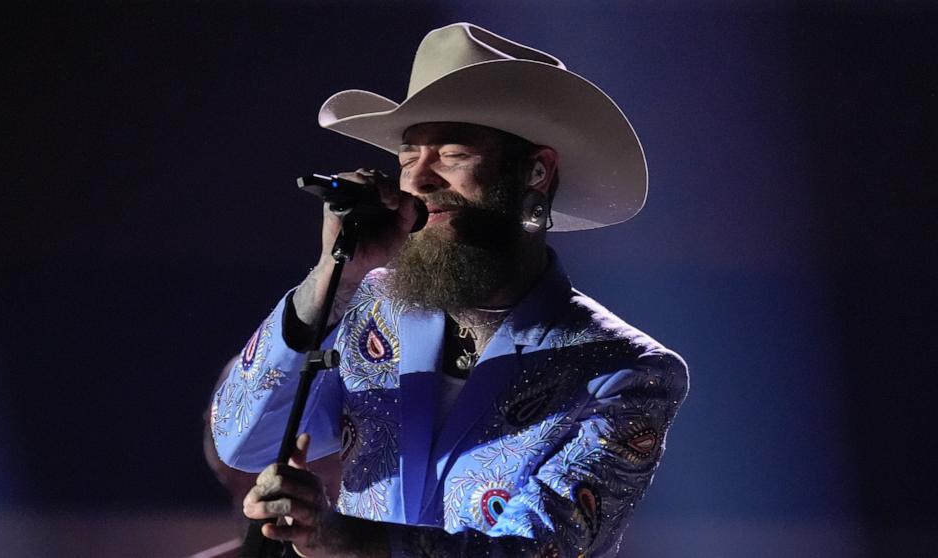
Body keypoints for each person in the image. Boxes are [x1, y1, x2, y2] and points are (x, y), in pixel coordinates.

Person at [210, 22, 688, 557]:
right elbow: (243, 439)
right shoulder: (368, 303)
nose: (419, 179)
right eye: (409, 155)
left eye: (452, 154)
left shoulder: (625, 371)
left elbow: (538, 550)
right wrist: (332, 276)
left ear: (536, 170)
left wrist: (340, 537)